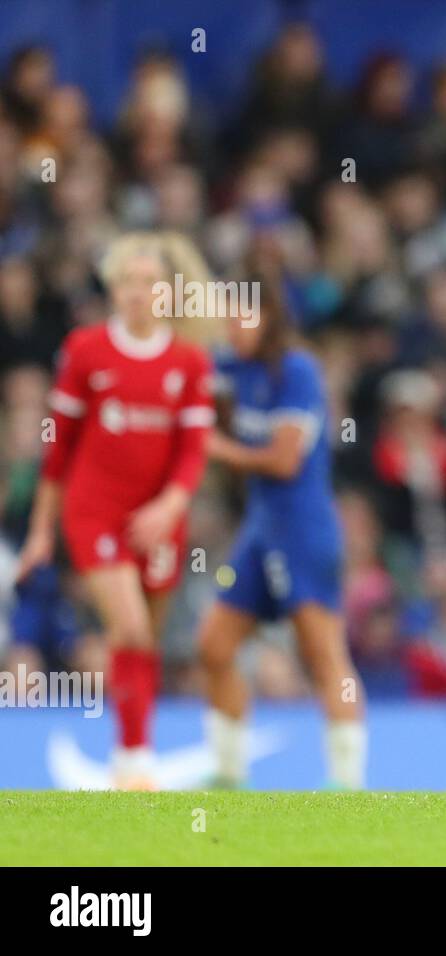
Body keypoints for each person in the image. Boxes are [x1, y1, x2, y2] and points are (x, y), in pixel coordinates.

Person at [15, 232, 215, 790]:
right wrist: (39, 531)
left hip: (159, 520)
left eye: (148, 282)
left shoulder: (189, 362)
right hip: (95, 511)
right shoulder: (85, 351)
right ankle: (135, 757)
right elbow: (60, 450)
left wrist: (169, 508)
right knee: (126, 628)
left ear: (166, 293)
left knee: (144, 641)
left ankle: (130, 758)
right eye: (126, 281)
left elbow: (192, 450)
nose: (136, 291)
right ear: (114, 290)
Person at [198, 276, 366, 789]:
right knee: (214, 646)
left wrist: (218, 449)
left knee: (323, 653)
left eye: (242, 316)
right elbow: (190, 371)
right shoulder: (232, 367)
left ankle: (348, 783)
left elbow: (284, 459)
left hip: (304, 529)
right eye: (227, 317)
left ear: (270, 318)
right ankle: (227, 773)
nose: (232, 326)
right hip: (261, 529)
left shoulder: (297, 370)